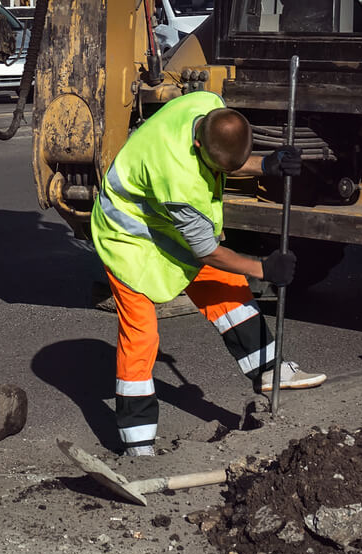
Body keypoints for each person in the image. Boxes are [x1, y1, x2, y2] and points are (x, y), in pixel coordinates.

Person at [91, 90, 326, 456]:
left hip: (162, 219)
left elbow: (224, 160)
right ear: (198, 144)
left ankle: (269, 371)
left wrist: (266, 164)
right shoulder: (179, 177)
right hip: (127, 235)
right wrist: (263, 268)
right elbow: (206, 250)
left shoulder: (207, 105)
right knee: (141, 333)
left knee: (226, 287)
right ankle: (138, 443)